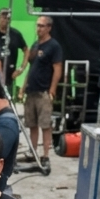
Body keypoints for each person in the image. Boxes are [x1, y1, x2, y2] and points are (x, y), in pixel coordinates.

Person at [20, 15, 62, 172]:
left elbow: (58, 68)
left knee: (45, 125)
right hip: (31, 90)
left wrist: (52, 89)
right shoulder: (35, 44)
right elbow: (31, 68)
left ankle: (45, 155)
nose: (39, 28)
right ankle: (33, 152)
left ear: (49, 27)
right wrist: (23, 87)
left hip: (44, 91)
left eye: (42, 26)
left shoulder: (54, 46)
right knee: (32, 124)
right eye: (37, 25)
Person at [0, 8, 27, 87]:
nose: (5, 20)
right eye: (3, 17)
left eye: (8, 18)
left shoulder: (16, 34)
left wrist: (21, 69)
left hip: (10, 77)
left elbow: (26, 50)